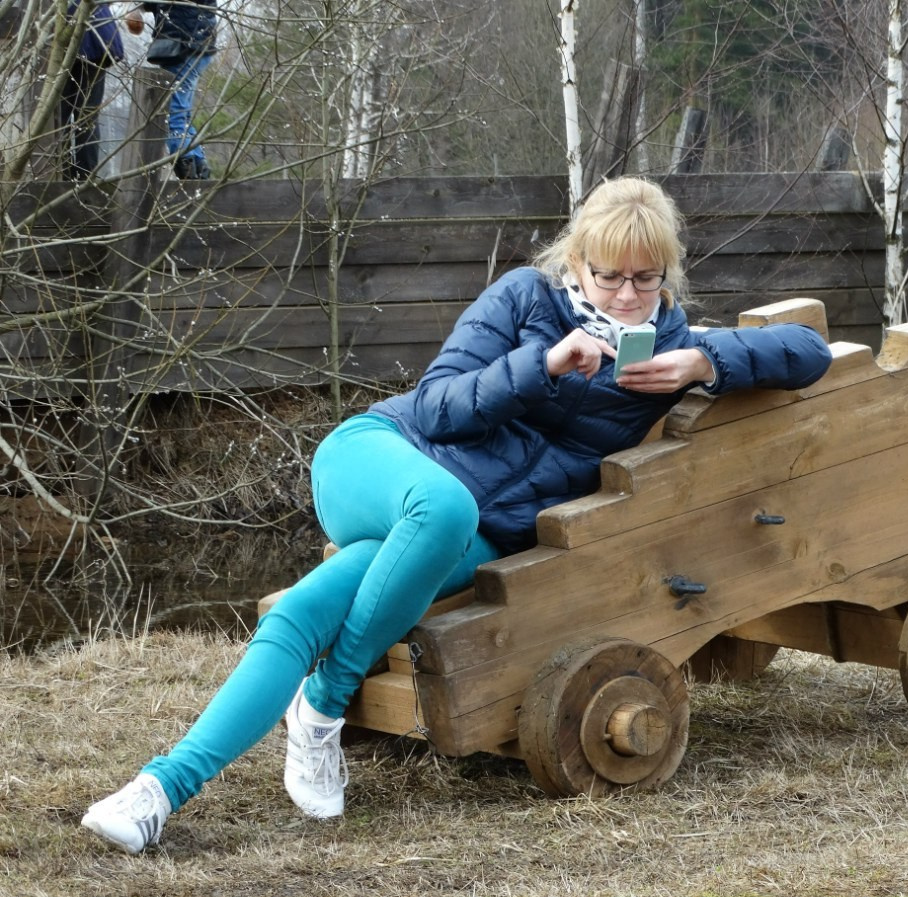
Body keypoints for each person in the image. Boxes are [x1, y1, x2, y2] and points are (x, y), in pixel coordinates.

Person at [80, 176, 833, 854]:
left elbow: (808, 350)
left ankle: (158, 793)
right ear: (576, 266)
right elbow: (438, 406)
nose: (627, 295)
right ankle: (325, 706)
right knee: (442, 504)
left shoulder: (672, 347)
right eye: (609, 277)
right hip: (383, 458)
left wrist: (707, 364)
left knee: (313, 607)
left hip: (469, 535)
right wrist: (539, 367)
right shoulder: (522, 300)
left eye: (645, 278)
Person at [125, 0, 217, 180]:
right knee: (180, 113)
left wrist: (134, 8)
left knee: (171, 114)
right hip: (192, 44)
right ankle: (198, 166)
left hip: (184, 45)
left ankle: (187, 169)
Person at [60, 0, 125, 180]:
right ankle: (84, 177)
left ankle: (66, 177)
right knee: (86, 116)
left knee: (60, 116)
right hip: (97, 34)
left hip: (71, 36)